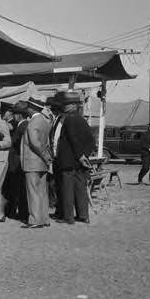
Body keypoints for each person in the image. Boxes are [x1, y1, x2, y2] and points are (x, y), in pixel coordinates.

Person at [54, 91, 94, 224]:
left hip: (68, 161)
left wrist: (80, 155)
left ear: (74, 105)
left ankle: (68, 217)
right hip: (79, 162)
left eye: (67, 104)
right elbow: (91, 141)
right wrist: (85, 155)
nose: (65, 106)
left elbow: (73, 139)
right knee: (80, 189)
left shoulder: (69, 119)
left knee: (67, 190)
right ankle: (83, 215)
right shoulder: (82, 120)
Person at [20, 95, 52, 229]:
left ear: (33, 108)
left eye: (28, 106)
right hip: (42, 163)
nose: (26, 109)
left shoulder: (33, 122)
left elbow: (35, 143)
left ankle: (35, 219)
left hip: (32, 161)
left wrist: (44, 155)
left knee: (32, 191)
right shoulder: (45, 121)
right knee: (42, 191)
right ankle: (44, 218)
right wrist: (46, 158)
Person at [5, 101, 29, 221]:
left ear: (19, 115)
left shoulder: (22, 126)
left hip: (17, 162)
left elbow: (19, 145)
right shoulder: (23, 125)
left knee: (19, 189)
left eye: (14, 113)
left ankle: (22, 213)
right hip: (17, 161)